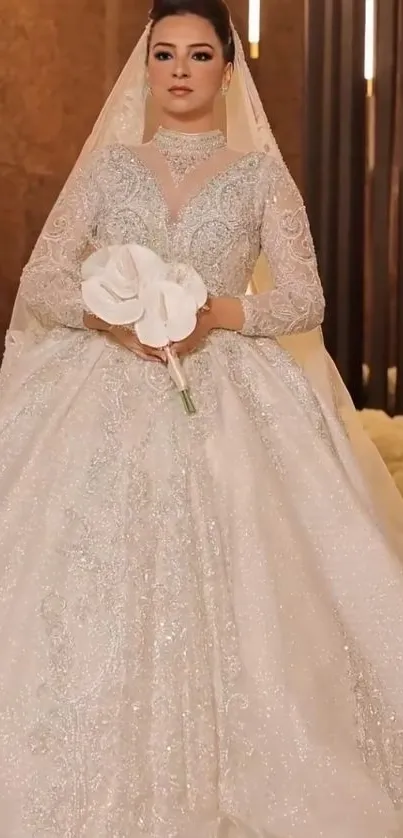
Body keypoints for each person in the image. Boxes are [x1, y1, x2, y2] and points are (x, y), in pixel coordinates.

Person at [1, 0, 403, 834]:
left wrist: (216, 313)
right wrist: (113, 317)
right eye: (163, 54)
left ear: (228, 69)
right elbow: (43, 281)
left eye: (198, 55)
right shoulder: (109, 169)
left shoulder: (259, 176)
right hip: (103, 379)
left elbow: (303, 298)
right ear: (146, 67)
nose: (179, 70)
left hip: (225, 385)